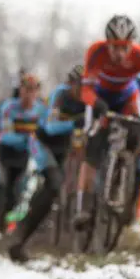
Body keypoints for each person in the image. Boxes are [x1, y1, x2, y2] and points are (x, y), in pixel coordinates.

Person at [76, 15, 140, 227]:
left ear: (132, 45)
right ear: (107, 44)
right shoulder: (96, 52)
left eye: (125, 47)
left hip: (127, 96)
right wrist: (96, 103)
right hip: (101, 96)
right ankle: (83, 206)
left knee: (139, 131)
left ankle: (122, 174)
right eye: (114, 47)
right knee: (92, 145)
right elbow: (86, 90)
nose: (119, 53)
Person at [6, 65, 89, 261]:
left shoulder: (89, 100)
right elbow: (51, 128)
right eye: (80, 87)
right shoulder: (59, 96)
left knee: (55, 191)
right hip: (42, 144)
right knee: (54, 183)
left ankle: (24, 235)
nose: (83, 92)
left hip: (63, 149)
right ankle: (22, 231)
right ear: (70, 84)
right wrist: (74, 124)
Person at [0, 73, 46, 243]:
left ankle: (3, 226)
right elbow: (5, 135)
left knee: (15, 198)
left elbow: (44, 131)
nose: (29, 94)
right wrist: (28, 138)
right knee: (0, 194)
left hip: (22, 158)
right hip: (4, 156)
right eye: (26, 90)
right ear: (20, 90)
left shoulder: (40, 109)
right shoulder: (8, 107)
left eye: (33, 90)